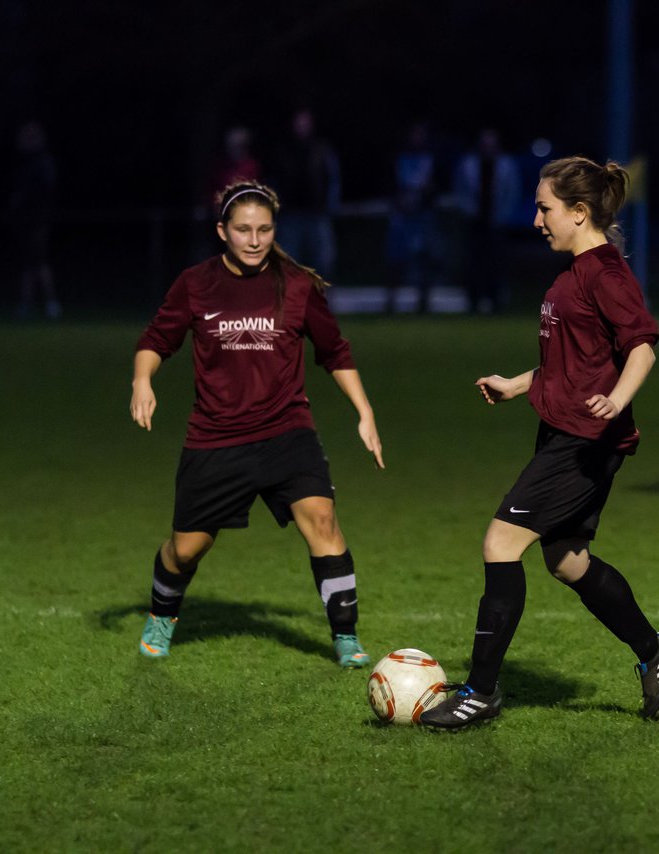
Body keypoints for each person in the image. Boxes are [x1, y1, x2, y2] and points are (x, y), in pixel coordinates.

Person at [420, 156, 659, 730]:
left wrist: (616, 399)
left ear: (579, 212)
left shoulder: (605, 274)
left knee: (499, 543)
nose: (537, 219)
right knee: (566, 561)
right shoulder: (571, 274)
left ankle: (481, 693)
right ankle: (654, 648)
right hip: (566, 431)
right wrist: (517, 384)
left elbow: (642, 348)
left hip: (585, 440)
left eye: (545, 208)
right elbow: (571, 364)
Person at [130, 180, 385, 668]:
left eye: (264, 230)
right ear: (222, 231)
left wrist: (364, 410)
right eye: (243, 230)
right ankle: (163, 614)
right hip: (216, 438)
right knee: (186, 551)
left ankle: (346, 638)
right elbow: (157, 338)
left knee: (324, 522)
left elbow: (333, 350)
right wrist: (143, 381)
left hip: (287, 432)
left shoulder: (296, 285)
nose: (254, 240)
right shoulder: (195, 283)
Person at [452, 127, 520, 313]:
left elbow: (512, 192)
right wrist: (468, 211)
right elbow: (459, 191)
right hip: (474, 220)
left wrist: (503, 215)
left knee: (496, 261)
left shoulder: (506, 165)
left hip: (496, 221)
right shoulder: (468, 164)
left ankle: (495, 299)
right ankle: (473, 299)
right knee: (473, 261)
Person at [274, 109, 341, 281]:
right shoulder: (283, 151)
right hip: (291, 214)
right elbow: (275, 180)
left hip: (317, 213)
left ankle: (321, 300)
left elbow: (332, 178)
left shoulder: (321, 149)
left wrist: (330, 205)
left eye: (305, 124)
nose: (301, 128)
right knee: (289, 261)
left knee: (323, 261)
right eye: (298, 124)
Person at [386, 122, 439, 312]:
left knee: (424, 259)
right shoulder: (400, 159)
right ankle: (391, 301)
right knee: (396, 259)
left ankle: (423, 302)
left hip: (422, 216)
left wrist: (423, 196)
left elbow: (434, 188)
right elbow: (392, 186)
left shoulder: (430, 160)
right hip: (402, 216)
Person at [12, 121, 60, 319]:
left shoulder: (42, 162)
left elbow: (45, 189)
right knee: (29, 263)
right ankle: (27, 304)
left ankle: (51, 304)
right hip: (28, 219)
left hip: (38, 219)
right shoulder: (27, 162)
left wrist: (25, 200)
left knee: (39, 262)